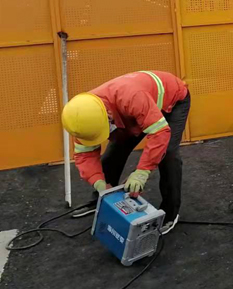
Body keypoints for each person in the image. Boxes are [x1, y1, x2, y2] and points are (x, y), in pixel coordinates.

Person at [61, 71, 190, 235]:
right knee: (116, 148)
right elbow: (84, 155)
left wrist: (142, 172)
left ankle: (170, 213)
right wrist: (99, 183)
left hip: (173, 101)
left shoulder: (132, 97)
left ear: (108, 115)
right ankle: (102, 197)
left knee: (168, 153)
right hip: (133, 110)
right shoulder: (81, 117)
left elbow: (159, 133)